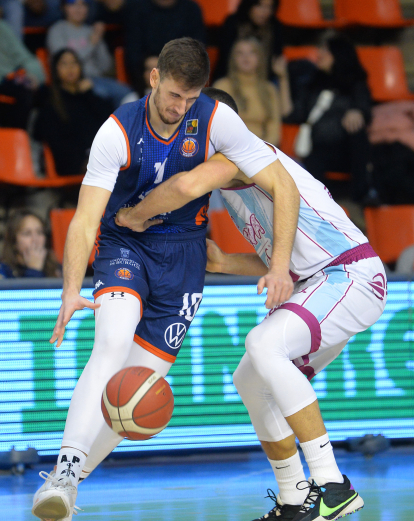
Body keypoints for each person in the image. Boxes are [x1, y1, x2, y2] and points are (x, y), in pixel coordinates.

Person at [31, 38, 287, 521]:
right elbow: (85, 220)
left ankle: (69, 485)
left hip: (185, 259)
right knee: (110, 341)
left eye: (191, 99)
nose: (181, 107)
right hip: (127, 241)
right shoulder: (117, 130)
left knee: (137, 394)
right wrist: (70, 289)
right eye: (173, 95)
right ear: (154, 78)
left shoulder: (215, 117)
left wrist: (278, 264)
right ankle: (64, 470)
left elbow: (280, 176)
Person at [114, 87, 387, 521]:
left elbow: (184, 185)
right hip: (320, 281)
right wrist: (223, 261)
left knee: (263, 345)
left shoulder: (241, 153)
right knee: (251, 378)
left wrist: (131, 216)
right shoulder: (235, 183)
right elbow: (283, 250)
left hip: (348, 274)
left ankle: (333, 484)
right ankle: (295, 499)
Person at [286, 35, 372, 204]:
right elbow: (295, 114)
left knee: (358, 133)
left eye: (325, 50)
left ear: (338, 55)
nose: (319, 54)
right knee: (313, 159)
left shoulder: (356, 83)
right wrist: (283, 79)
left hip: (345, 149)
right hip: (319, 148)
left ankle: (361, 196)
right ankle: (320, 205)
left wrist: (357, 111)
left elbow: (365, 110)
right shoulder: (310, 83)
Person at [33, 48, 112, 176]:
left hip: (101, 157)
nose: (70, 68)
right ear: (55, 69)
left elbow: (110, 122)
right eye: (64, 64)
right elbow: (53, 143)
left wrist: (89, 94)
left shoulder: (90, 97)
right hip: (73, 162)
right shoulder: (50, 102)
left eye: (74, 63)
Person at [47, 0, 132, 107]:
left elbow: (106, 66)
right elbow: (64, 62)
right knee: (102, 98)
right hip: (72, 82)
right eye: (73, 4)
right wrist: (91, 44)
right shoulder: (57, 30)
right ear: (64, 7)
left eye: (83, 4)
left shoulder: (91, 31)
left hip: (98, 79)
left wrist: (99, 41)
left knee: (129, 95)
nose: (78, 9)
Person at [214, 37, 292, 146]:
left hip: (262, 150)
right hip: (228, 150)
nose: (245, 57)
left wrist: (263, 151)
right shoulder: (222, 86)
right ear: (233, 59)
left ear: (260, 58)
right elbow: (216, 127)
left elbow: (274, 128)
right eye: (240, 53)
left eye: (252, 52)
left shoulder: (269, 89)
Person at [123, 0, 206, 94]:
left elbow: (197, 52)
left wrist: (169, 67)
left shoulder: (191, 9)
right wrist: (147, 65)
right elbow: (132, 53)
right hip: (145, 81)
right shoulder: (137, 9)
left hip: (183, 78)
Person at [214, 0, 283, 82]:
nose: (265, 11)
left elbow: (275, 63)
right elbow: (225, 59)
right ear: (249, 5)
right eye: (259, 5)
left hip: (263, 79)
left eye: (269, 7)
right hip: (231, 76)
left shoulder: (275, 28)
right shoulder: (233, 23)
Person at [0, 18, 45, 128]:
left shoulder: (2, 28)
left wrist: (32, 74)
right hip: (6, 78)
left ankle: (34, 139)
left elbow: (24, 56)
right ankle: (17, 138)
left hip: (11, 77)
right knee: (23, 93)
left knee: (46, 92)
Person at [0, 209, 61, 278]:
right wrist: (34, 270)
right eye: (27, 233)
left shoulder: (57, 269)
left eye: (39, 232)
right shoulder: (4, 271)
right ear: (13, 241)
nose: (35, 239)